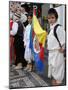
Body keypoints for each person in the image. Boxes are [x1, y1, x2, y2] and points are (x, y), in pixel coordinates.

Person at [47, 8, 65, 85]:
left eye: (52, 18)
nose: (50, 20)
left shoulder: (58, 28)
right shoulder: (51, 28)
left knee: (58, 66)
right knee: (53, 66)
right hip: (51, 52)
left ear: (56, 18)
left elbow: (63, 38)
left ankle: (59, 80)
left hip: (57, 51)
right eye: (49, 18)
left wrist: (63, 47)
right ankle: (55, 78)